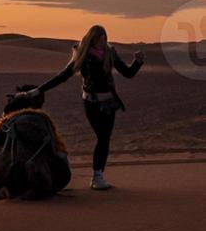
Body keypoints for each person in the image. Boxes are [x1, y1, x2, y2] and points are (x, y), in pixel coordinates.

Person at [25, 26, 143, 190]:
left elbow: (128, 73)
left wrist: (138, 62)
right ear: (93, 39)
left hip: (108, 104)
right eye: (101, 39)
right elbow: (63, 76)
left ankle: (98, 176)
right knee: (102, 137)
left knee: (104, 138)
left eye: (105, 39)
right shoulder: (83, 55)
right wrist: (39, 90)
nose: (104, 42)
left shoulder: (110, 53)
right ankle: (97, 176)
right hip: (91, 103)